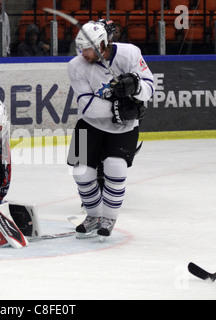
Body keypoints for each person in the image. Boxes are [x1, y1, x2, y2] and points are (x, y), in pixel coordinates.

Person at [67, 20, 155, 239]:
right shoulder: (75, 66)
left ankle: (109, 218)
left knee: (115, 167)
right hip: (88, 124)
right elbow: (87, 106)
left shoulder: (131, 54)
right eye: (81, 49)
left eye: (87, 49)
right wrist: (120, 108)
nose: (83, 54)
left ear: (103, 44)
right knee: (80, 172)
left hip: (123, 129)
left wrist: (136, 88)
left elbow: (149, 87)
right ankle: (93, 215)